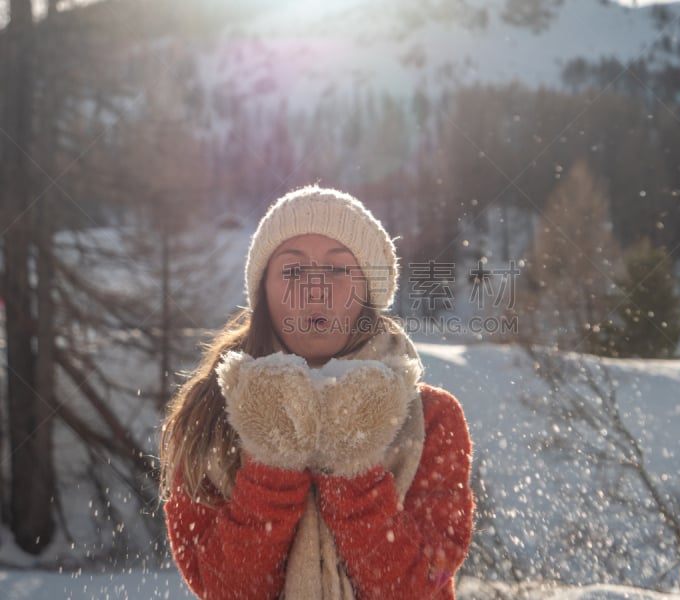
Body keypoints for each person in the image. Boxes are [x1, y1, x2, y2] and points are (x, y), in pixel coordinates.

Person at [160, 185, 474, 600]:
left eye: (339, 270)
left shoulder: (433, 419)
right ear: (263, 294)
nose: (315, 289)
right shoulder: (211, 416)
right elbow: (223, 589)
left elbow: (417, 587)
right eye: (292, 271)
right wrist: (272, 462)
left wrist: (355, 465)